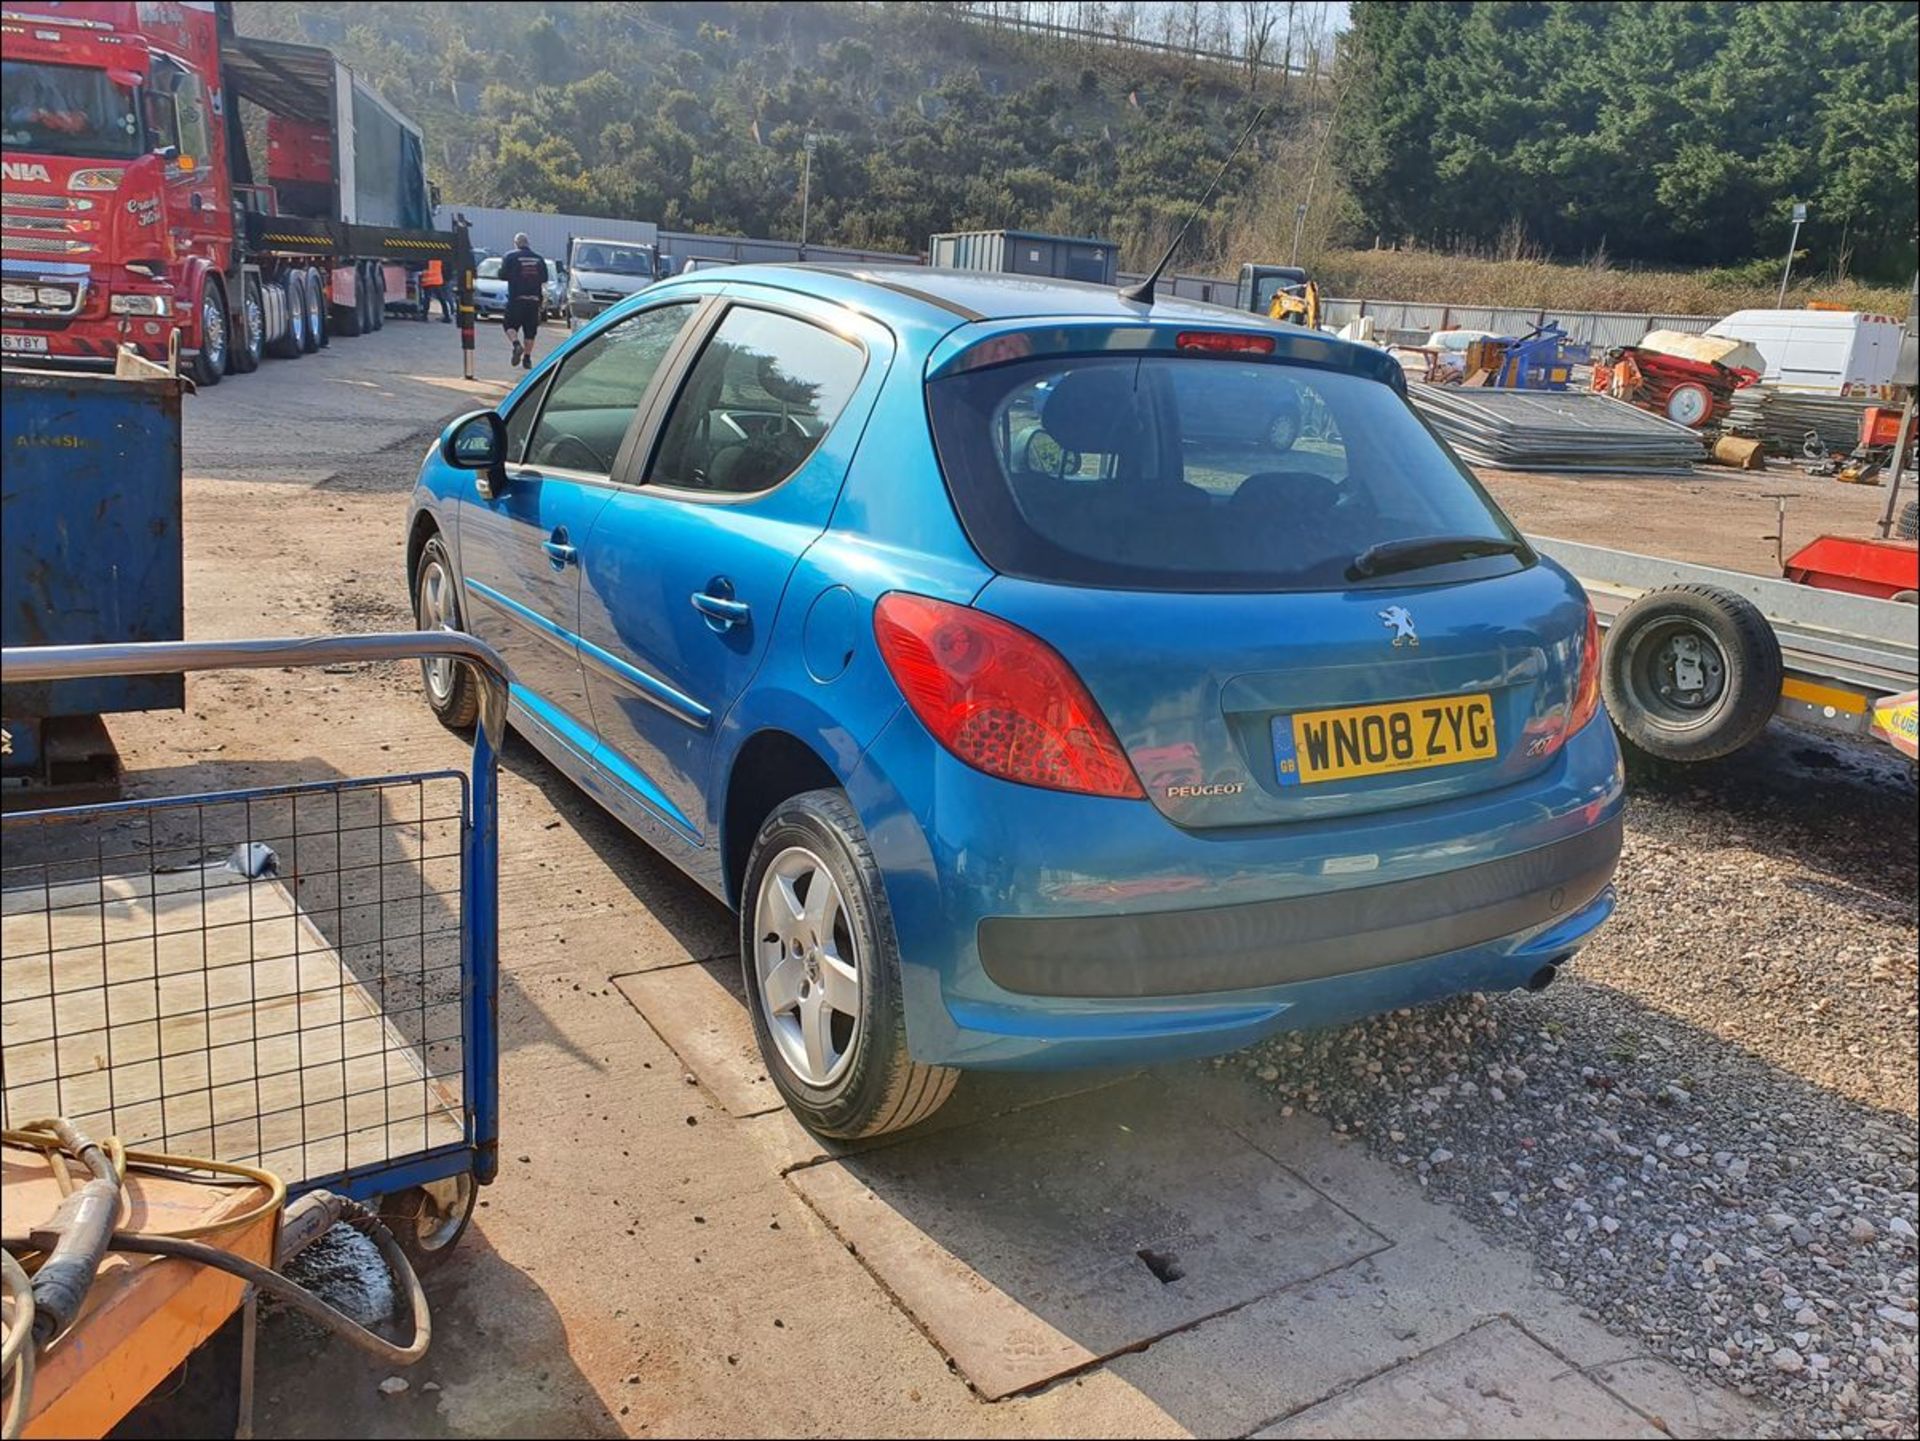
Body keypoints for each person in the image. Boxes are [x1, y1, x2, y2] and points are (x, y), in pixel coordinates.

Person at [499, 232, 549, 369]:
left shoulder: (510, 256)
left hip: (516, 299)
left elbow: (502, 275)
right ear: (528, 243)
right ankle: (527, 359)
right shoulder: (539, 259)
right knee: (530, 331)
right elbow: (544, 278)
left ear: (516, 244)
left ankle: (516, 344)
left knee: (509, 325)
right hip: (534, 300)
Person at [419, 257, 451, 322]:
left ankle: (424, 316)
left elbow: (421, 267)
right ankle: (447, 317)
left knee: (427, 299)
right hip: (437, 281)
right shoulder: (439, 258)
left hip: (428, 281)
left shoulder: (426, 257)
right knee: (442, 299)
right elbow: (444, 269)